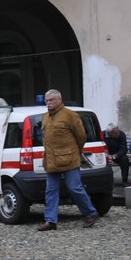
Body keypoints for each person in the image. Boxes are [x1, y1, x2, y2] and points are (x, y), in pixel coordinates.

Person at [38, 89, 98, 230]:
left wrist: (75, 151)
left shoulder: (70, 115)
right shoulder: (45, 116)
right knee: (50, 191)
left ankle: (90, 213)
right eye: (47, 100)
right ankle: (51, 221)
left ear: (59, 100)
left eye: (51, 100)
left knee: (75, 188)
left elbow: (81, 136)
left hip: (69, 159)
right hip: (51, 159)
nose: (49, 103)